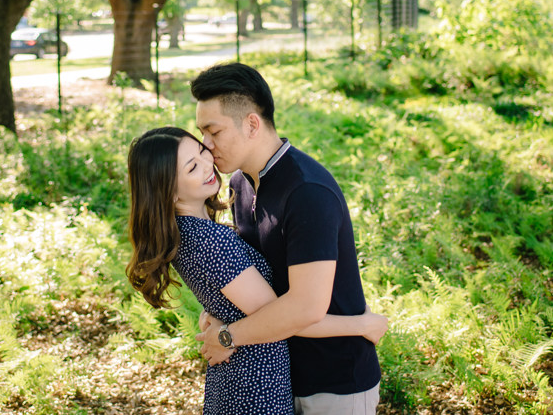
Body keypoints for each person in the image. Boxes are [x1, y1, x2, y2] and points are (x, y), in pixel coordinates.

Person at [126, 126, 388, 415]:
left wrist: (216, 318)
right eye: (192, 168)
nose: (207, 166)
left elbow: (225, 296)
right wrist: (361, 326)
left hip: (242, 376)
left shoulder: (188, 234)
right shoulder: (211, 241)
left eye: (203, 153)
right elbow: (285, 315)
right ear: (169, 192)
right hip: (254, 384)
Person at [191, 62, 382, 414]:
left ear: (251, 124)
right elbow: (254, 280)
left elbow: (306, 307)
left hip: (334, 383)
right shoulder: (239, 184)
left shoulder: (307, 191)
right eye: (201, 132)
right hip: (277, 376)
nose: (205, 146)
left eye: (213, 131)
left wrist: (227, 336)